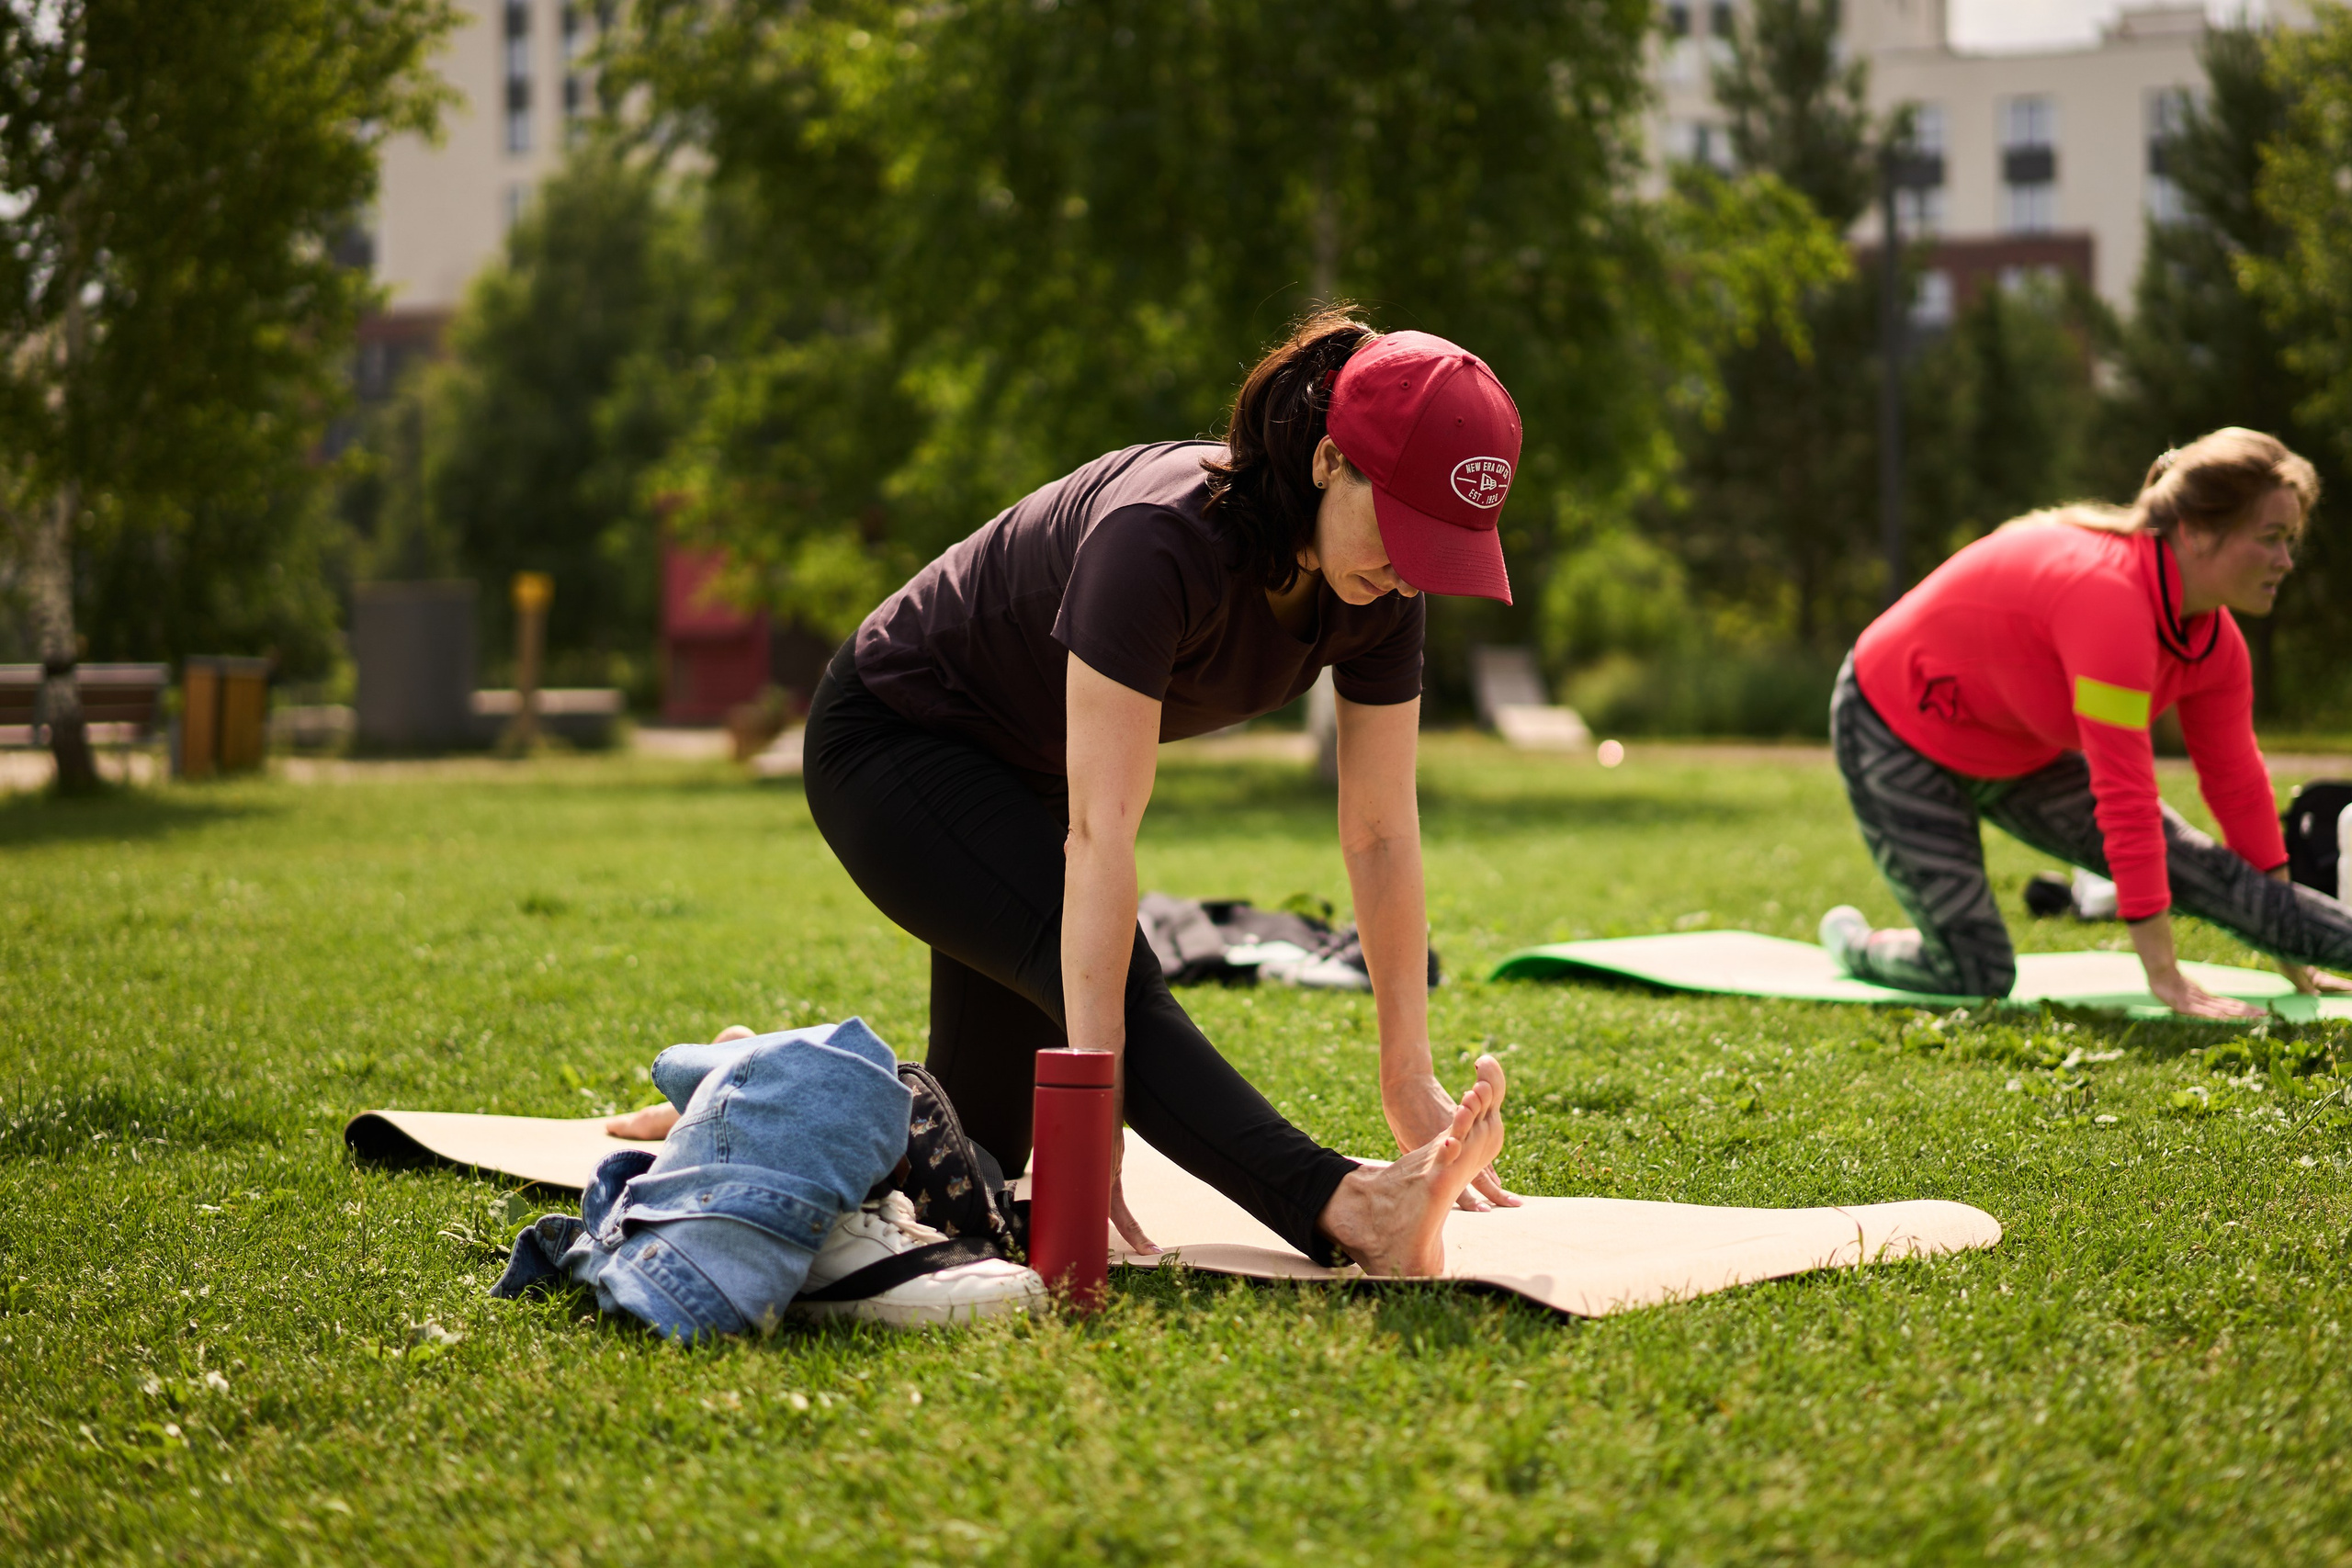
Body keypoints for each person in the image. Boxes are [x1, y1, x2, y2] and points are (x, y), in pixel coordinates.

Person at [610, 311, 1521, 1276]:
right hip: (894, 744)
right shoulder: (1162, 539)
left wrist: (1405, 1072)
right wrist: (1103, 1112)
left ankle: (751, 1093)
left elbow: (1380, 832)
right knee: (1116, 983)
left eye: (1441, 545)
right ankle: (1347, 1204)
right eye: (1404, 527)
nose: (1407, 573)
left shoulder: (1379, 587)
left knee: (978, 1167)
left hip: (1025, 773)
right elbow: (1101, 837)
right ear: (1331, 460)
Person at [1818, 426, 2352, 1020]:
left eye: (2290, 540)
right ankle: (1857, 943)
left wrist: (2293, 953)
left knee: (2197, 863)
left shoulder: (2216, 643)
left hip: (2018, 749)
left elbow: (2240, 791)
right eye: (2271, 538)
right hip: (1894, 729)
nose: (2286, 560)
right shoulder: (2111, 603)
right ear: (2198, 532)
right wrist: (2165, 977)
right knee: (1976, 971)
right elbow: (2125, 799)